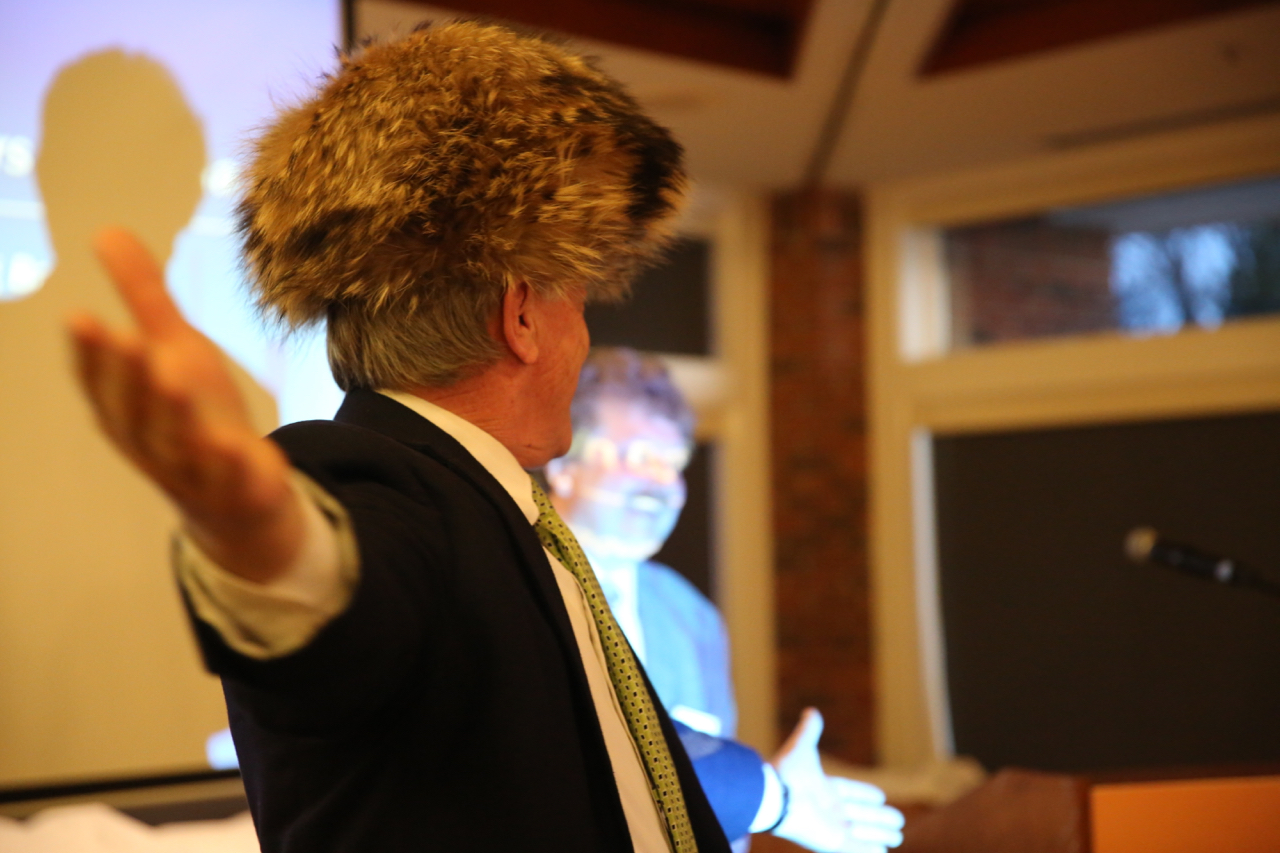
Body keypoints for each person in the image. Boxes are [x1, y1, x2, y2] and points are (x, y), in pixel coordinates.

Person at [69, 21, 717, 853]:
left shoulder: (506, 511)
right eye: (582, 303)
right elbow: (337, 610)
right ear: (522, 314)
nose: (586, 339)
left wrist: (773, 795)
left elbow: (595, 754)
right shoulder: (375, 481)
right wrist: (257, 529)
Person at [546, 348, 904, 851]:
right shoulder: (518, 581)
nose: (663, 484)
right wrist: (775, 798)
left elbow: (711, 811)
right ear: (563, 465)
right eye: (639, 458)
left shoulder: (692, 617)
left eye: (674, 464)